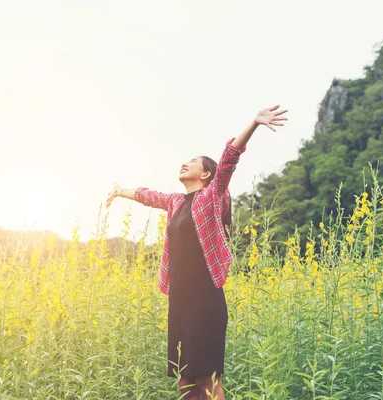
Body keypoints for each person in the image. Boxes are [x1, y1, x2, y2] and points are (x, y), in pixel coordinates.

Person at [106, 105, 288, 400]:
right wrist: (119, 190)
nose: (183, 163)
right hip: (180, 300)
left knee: (208, 379)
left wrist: (254, 123)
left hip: (205, 300)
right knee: (185, 381)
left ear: (206, 173)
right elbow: (148, 196)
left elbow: (229, 159)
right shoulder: (177, 202)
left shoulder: (212, 196)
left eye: (191, 162)